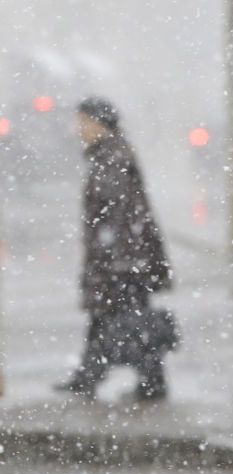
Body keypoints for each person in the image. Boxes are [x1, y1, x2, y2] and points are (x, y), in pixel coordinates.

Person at [55, 97, 174, 401]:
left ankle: (147, 382)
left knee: (129, 319)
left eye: (83, 122)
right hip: (123, 256)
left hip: (122, 258)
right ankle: (91, 375)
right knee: (113, 317)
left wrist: (114, 257)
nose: (79, 129)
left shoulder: (112, 157)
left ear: (99, 123)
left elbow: (119, 213)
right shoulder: (108, 154)